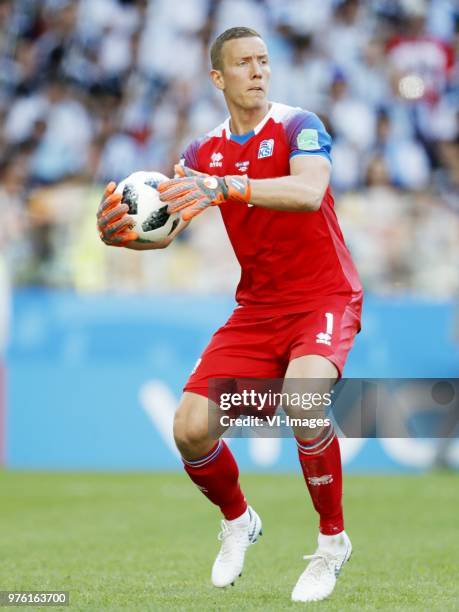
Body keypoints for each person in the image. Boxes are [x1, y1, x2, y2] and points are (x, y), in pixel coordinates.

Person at [96, 26, 363, 604]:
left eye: (264, 61)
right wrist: (119, 233)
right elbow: (164, 232)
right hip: (257, 310)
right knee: (190, 430)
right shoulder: (199, 155)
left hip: (323, 297)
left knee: (303, 400)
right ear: (219, 78)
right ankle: (238, 519)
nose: (259, 71)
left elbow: (310, 192)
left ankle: (331, 543)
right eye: (244, 63)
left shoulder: (298, 126)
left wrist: (227, 186)